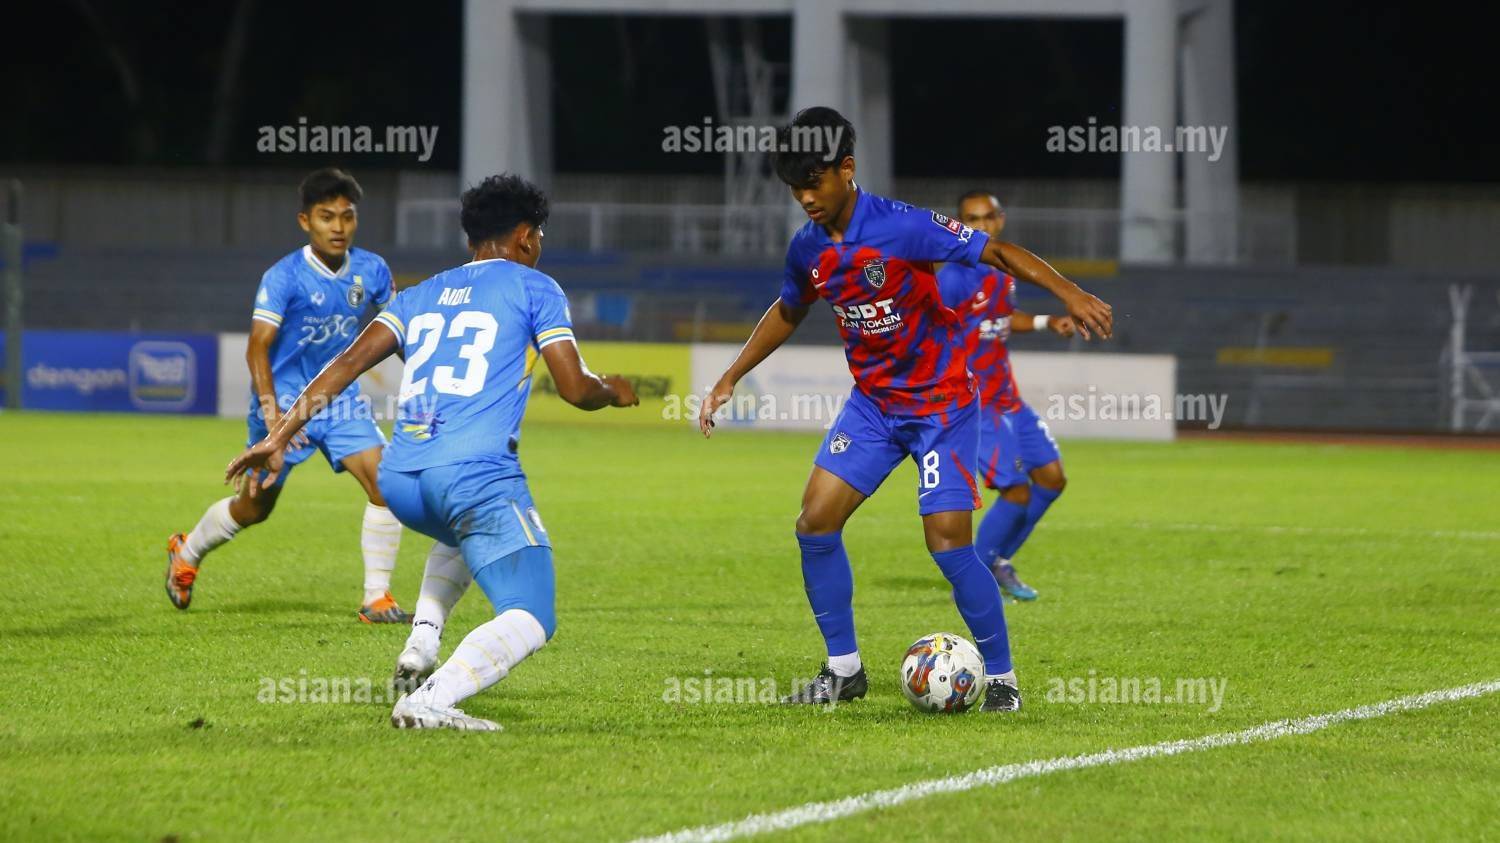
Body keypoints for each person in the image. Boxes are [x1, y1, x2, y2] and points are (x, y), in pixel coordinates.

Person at [698, 108, 1112, 713]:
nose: (806, 198)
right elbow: (789, 309)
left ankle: (1002, 679)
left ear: (847, 169)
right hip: (873, 407)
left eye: (814, 182)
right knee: (814, 523)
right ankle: (843, 672)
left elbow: (996, 252)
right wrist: (732, 375)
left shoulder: (902, 225)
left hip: (942, 405)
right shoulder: (807, 247)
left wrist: (1069, 292)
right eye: (794, 188)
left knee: (947, 543)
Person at [226, 173, 638, 731]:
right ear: (525, 236)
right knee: (532, 612)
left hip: (400, 481)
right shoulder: (535, 287)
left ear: (471, 238)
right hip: (472, 476)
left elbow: (344, 365)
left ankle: (421, 641)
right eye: (539, 235)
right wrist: (612, 389)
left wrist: (275, 436)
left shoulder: (420, 294)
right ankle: (431, 699)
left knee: (461, 530)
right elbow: (575, 388)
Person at [165, 167, 410, 622]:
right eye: (326, 217)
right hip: (281, 405)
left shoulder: (372, 270)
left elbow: (397, 333)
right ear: (305, 221)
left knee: (386, 484)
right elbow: (257, 346)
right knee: (254, 509)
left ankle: (376, 597)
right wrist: (272, 416)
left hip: (338, 400)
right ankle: (187, 550)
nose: (338, 227)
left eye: (347, 216)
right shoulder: (284, 277)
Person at [937, 191, 1077, 601]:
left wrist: (1046, 321)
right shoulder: (953, 277)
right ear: (959, 224)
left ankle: (997, 561)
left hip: (1008, 399)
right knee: (1016, 491)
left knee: (1051, 479)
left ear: (1000, 220)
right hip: (974, 405)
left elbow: (998, 318)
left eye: (987, 218)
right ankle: (973, 583)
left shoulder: (1002, 270)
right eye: (971, 219)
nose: (981, 226)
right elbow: (928, 328)